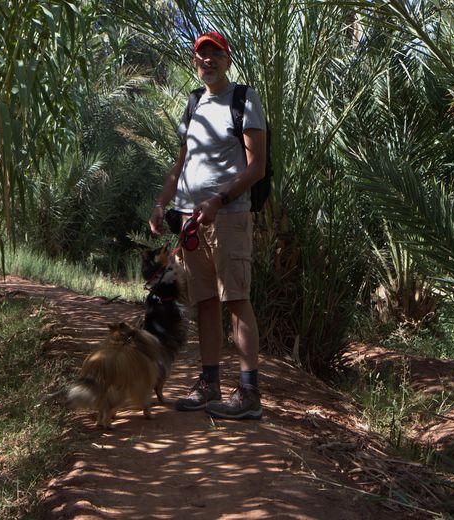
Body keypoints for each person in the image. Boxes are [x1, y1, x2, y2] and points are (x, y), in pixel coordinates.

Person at [148, 31, 266, 420]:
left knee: (236, 299)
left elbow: (256, 167)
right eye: (202, 56)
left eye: (216, 54)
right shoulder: (194, 102)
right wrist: (162, 202)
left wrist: (219, 200)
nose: (208, 61)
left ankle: (249, 393)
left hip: (228, 217)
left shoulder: (244, 99)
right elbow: (180, 163)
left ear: (228, 60)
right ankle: (209, 382)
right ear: (195, 64)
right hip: (188, 221)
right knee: (205, 304)